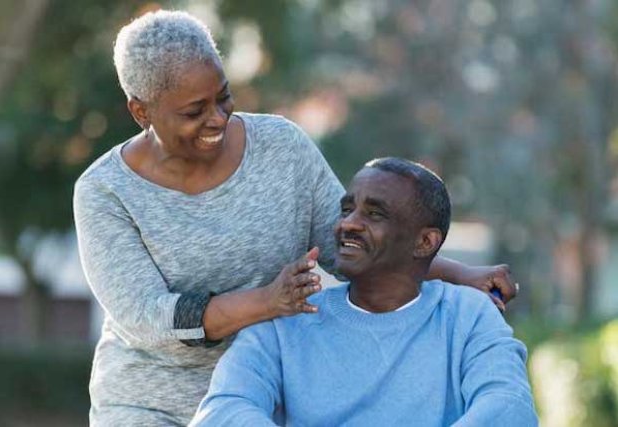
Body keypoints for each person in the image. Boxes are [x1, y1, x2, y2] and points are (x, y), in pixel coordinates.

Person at [73, 10, 519, 426]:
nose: (218, 119)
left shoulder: (280, 146)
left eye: (223, 97)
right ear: (141, 111)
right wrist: (268, 302)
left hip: (268, 388)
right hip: (152, 402)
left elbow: (344, 240)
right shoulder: (106, 192)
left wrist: (460, 274)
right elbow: (148, 316)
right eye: (194, 111)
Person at [191, 158, 537, 427]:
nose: (347, 224)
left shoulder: (468, 315)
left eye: (374, 214)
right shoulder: (289, 316)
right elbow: (224, 408)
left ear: (425, 242)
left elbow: (509, 407)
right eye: (346, 209)